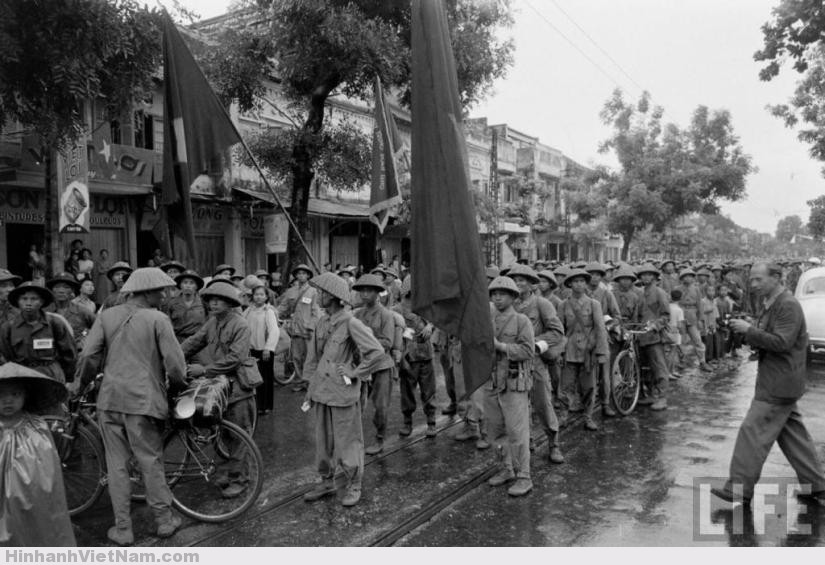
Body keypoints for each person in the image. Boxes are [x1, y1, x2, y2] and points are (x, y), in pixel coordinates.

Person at [75, 267, 187, 545]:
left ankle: (123, 529)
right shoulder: (158, 318)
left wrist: (78, 386)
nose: (164, 295)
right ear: (146, 292)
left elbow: (89, 356)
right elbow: (174, 365)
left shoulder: (107, 316)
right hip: (143, 401)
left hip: (109, 400)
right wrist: (177, 385)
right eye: (160, 290)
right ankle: (163, 520)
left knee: (116, 466)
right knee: (150, 461)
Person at [712, 262, 825, 508]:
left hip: (777, 384)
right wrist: (754, 339)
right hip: (781, 381)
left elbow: (783, 342)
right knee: (793, 436)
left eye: (758, 280)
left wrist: (749, 331)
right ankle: (817, 485)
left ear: (776, 277)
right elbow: (776, 339)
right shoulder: (774, 303)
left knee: (751, 432)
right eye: (751, 280)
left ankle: (739, 490)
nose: (752, 285)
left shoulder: (787, 304)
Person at [301, 273, 384, 507]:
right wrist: (310, 385)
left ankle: (353, 483)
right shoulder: (322, 322)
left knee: (348, 441)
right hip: (321, 392)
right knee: (323, 441)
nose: (318, 296)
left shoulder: (351, 322)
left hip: (342, 393)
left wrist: (354, 372)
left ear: (333, 297)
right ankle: (326, 480)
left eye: (322, 292)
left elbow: (376, 352)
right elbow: (313, 358)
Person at [181, 280, 257, 499]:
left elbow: (235, 358)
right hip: (219, 386)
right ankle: (231, 473)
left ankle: (240, 480)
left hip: (239, 387)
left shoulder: (239, 324)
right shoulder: (212, 322)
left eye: (218, 300)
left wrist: (204, 370)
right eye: (210, 300)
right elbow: (194, 342)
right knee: (221, 433)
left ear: (229, 303)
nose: (213, 304)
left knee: (238, 436)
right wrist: (173, 355)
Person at [0, 362, 75, 546]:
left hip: (33, 497)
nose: (7, 400)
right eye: (0, 395)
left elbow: (49, 473)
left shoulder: (37, 426)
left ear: (26, 395)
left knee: (36, 526)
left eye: (15, 394)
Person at [507, 264, 565, 464]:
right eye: (515, 280)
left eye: (522, 280)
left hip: (536, 362)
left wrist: (536, 345)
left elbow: (557, 331)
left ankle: (554, 443)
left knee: (542, 403)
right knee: (518, 406)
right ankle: (527, 442)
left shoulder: (541, 304)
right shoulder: (509, 305)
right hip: (513, 363)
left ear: (532, 284)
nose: (518, 283)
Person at [485, 276, 536, 497]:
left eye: (502, 294)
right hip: (491, 380)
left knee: (517, 431)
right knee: (496, 431)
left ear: (514, 297)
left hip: (514, 382)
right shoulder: (487, 320)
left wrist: (501, 346)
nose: (497, 297)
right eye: (494, 294)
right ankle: (506, 469)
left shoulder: (521, 321)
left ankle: (524, 476)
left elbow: (527, 351)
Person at [557, 269, 609, 431]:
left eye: (581, 281)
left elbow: (600, 329)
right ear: (570, 284)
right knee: (565, 386)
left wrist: (601, 353)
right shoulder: (563, 304)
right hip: (569, 351)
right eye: (575, 281)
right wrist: (559, 351)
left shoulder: (594, 304)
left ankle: (588, 415)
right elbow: (559, 329)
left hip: (588, 351)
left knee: (589, 387)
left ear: (585, 284)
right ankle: (563, 415)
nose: (578, 284)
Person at [351, 274, 397, 455]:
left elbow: (387, 342)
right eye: (362, 290)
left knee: (380, 405)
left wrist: (367, 340)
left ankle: (380, 438)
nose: (364, 294)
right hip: (360, 365)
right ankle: (354, 438)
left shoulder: (385, 314)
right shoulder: (357, 314)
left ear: (378, 293)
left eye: (369, 290)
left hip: (380, 365)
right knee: (355, 403)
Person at [0, 282, 76, 386]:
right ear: (17, 302)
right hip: (22, 375)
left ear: (41, 302)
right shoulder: (8, 327)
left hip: (51, 374)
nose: (28, 303)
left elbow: (68, 354)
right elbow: (7, 355)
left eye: (34, 299)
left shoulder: (55, 323)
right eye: (24, 299)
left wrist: (67, 378)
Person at [393, 277, 437, 438]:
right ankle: (407, 422)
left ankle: (431, 421)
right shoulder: (397, 309)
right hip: (408, 355)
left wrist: (430, 326)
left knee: (429, 390)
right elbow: (396, 332)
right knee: (407, 392)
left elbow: (436, 319)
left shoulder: (426, 305)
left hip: (426, 353)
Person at [277, 264, 321, 392]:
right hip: (295, 329)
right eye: (299, 273)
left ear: (308, 276)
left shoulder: (313, 292)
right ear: (295, 275)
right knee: (296, 357)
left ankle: (309, 382)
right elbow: (283, 307)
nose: (301, 275)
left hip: (308, 330)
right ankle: (299, 381)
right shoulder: (290, 292)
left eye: (304, 273)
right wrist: (272, 313)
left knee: (309, 357)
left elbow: (315, 312)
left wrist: (311, 327)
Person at [636, 264, 672, 410]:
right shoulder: (639, 292)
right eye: (643, 275)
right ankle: (650, 394)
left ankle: (662, 397)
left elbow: (665, 315)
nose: (646, 277)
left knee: (659, 367)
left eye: (649, 275)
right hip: (640, 335)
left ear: (654, 277)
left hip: (654, 336)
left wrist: (656, 325)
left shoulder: (659, 292)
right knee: (645, 368)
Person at [242, 279, 279, 415]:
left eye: (261, 294)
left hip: (265, 350)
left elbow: (274, 331)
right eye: (256, 294)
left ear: (266, 297)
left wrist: (268, 348)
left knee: (266, 378)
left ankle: (266, 405)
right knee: (253, 378)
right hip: (251, 349)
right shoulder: (248, 311)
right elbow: (242, 324)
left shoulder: (268, 311)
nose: (259, 297)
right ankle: (256, 405)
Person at [45, 273, 96, 352]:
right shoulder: (45, 312)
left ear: (72, 290)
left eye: (66, 287)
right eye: (57, 287)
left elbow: (97, 327)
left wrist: (85, 335)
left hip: (75, 354)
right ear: (52, 290)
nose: (61, 291)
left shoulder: (82, 311)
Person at [163, 270, 208, 343]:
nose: (188, 285)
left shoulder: (204, 303)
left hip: (199, 342)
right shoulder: (171, 303)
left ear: (196, 286)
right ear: (180, 285)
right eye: (185, 282)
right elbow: (166, 326)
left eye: (192, 283)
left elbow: (209, 322)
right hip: (178, 341)